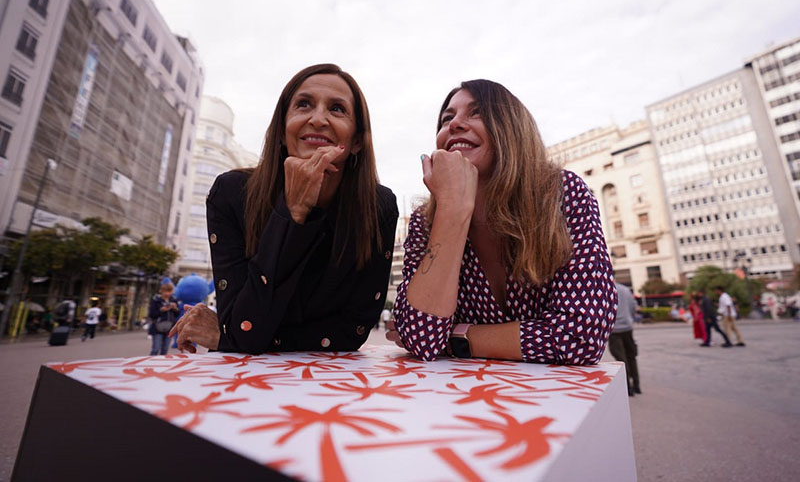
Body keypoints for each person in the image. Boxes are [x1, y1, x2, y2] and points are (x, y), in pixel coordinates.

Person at [171, 64, 398, 354]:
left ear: (356, 141)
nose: (318, 119)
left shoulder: (378, 207)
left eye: (337, 109)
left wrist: (229, 336)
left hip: (336, 383)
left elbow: (352, 333)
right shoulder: (230, 193)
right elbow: (242, 330)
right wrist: (292, 213)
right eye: (304, 105)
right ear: (281, 130)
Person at [388, 79, 617, 363]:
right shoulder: (426, 220)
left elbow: (582, 336)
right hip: (460, 398)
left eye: (477, 112)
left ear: (511, 129)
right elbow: (420, 339)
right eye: (447, 118)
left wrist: (454, 339)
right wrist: (452, 211)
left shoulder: (561, 194)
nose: (455, 124)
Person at [608, 283, 641, 396]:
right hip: (627, 327)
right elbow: (633, 306)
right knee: (631, 356)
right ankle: (637, 385)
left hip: (614, 329)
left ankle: (628, 387)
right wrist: (629, 319)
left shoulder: (605, 289)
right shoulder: (625, 289)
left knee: (621, 359)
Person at [148, 283, 179, 355]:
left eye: (169, 291)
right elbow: (151, 314)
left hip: (169, 328)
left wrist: (175, 308)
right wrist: (161, 310)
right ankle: (151, 363)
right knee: (155, 349)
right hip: (157, 327)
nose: (167, 293)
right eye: (165, 291)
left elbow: (177, 314)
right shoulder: (156, 300)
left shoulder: (173, 300)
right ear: (161, 291)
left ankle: (161, 365)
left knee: (165, 349)